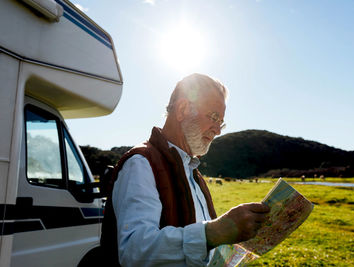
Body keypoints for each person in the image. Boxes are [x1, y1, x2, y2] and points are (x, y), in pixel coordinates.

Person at [101, 73, 270, 266]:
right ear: (182, 109)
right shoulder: (141, 163)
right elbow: (134, 250)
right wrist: (215, 232)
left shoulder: (193, 173)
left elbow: (198, 246)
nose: (218, 130)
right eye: (214, 117)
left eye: (221, 122)